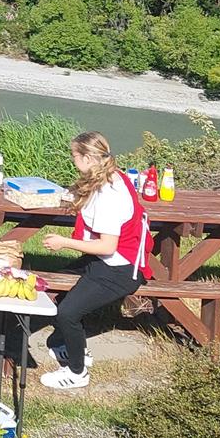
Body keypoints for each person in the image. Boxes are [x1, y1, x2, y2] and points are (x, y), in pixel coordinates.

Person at [36, 131, 149, 390]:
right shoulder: (112, 175)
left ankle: (77, 372)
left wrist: (64, 242)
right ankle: (70, 345)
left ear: (87, 159)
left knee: (68, 313)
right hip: (103, 261)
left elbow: (107, 246)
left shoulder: (110, 196)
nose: (72, 159)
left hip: (120, 269)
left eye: (74, 155)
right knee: (57, 287)